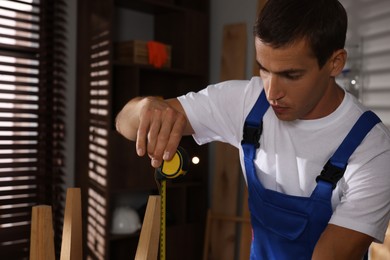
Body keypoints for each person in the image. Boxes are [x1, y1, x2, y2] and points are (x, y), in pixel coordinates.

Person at [115, 0, 390, 259]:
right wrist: (147, 107)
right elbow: (124, 123)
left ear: (335, 63)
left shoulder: (372, 150)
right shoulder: (246, 102)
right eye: (264, 70)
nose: (272, 92)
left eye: (291, 75)